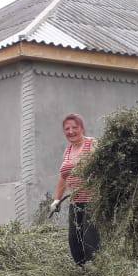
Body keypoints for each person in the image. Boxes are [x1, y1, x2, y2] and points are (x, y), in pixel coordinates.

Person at [50, 112, 101, 265]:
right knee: (74, 239)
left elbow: (102, 167)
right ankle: (81, 269)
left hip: (93, 199)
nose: (71, 131)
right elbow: (63, 177)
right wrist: (56, 199)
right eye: (67, 129)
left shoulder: (92, 144)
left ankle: (96, 269)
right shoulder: (68, 150)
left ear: (82, 128)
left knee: (89, 238)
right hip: (76, 200)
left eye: (74, 127)